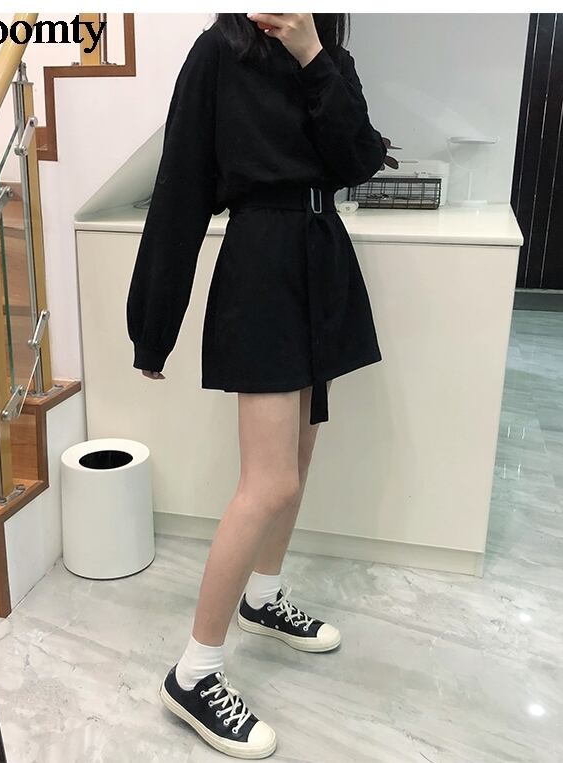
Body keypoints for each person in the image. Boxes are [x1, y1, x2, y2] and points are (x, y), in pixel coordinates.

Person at [126, 13, 386, 759]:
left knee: (298, 464)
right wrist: (155, 323)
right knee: (268, 482)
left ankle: (263, 598)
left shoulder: (328, 53)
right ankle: (193, 671)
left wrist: (311, 54)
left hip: (321, 259)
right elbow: (181, 186)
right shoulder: (220, 52)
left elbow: (358, 159)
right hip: (263, 266)